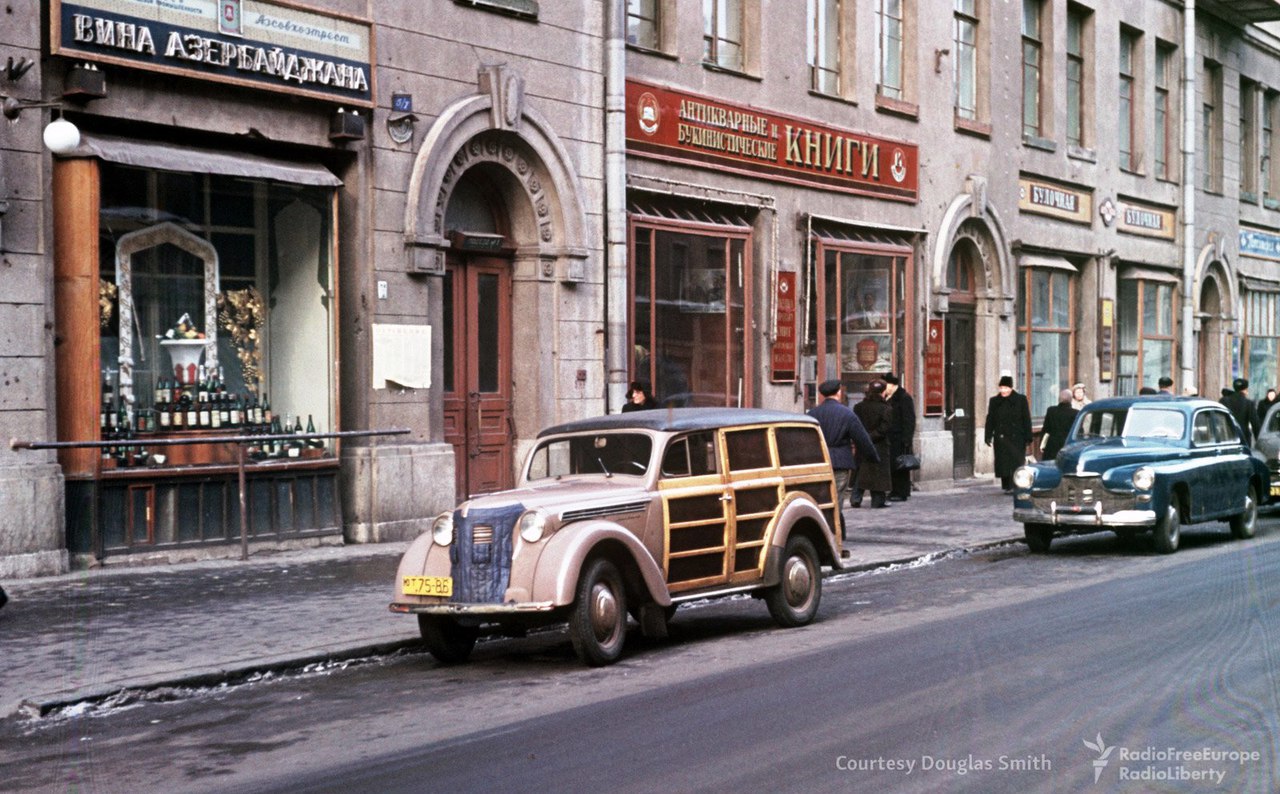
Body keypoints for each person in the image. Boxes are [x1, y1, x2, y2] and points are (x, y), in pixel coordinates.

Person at [808, 379, 878, 538]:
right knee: (837, 500)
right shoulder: (847, 413)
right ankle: (835, 535)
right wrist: (873, 457)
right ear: (838, 392)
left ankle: (824, 533)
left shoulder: (812, 414)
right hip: (841, 462)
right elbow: (862, 439)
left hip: (820, 461)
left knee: (821, 498)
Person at [985, 375, 1032, 492]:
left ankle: (1016, 484)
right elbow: (990, 419)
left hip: (1017, 436)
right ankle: (1006, 485)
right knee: (1003, 462)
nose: (1003, 391)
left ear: (1011, 388)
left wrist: (1028, 436)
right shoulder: (994, 401)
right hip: (1001, 437)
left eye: (1006, 388)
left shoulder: (1020, 400)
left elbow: (1026, 418)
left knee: (1016, 461)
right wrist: (988, 435)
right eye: (1001, 388)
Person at [852, 380, 893, 508]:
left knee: (861, 471)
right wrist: (870, 437)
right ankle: (877, 500)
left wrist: (863, 438)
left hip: (862, 444)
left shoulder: (858, 407)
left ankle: (855, 498)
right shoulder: (886, 409)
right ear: (883, 392)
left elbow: (855, 426)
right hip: (879, 444)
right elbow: (884, 429)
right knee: (878, 473)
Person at [882, 373, 916, 502]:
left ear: (892, 385)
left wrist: (907, 440)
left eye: (886, 385)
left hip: (900, 438)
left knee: (901, 466)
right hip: (892, 438)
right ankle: (894, 490)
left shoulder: (904, 397)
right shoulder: (889, 397)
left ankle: (901, 492)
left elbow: (909, 420)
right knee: (893, 465)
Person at [1040, 389, 1079, 461]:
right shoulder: (1076, 413)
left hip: (1051, 447)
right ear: (1071, 400)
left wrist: (1042, 444)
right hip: (1068, 446)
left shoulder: (1051, 411)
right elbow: (1079, 432)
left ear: (1059, 399)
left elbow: (1045, 430)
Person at [1221, 377, 1262, 446]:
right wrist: (1259, 441)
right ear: (1245, 390)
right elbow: (1255, 424)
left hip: (1227, 438)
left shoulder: (1224, 401)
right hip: (1243, 439)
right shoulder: (1248, 403)